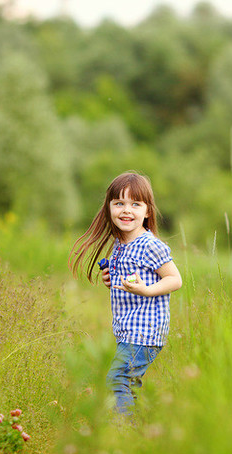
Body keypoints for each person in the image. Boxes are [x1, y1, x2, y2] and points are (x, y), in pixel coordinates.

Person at [69, 171, 182, 417]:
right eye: (119, 203)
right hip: (128, 328)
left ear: (147, 211)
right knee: (128, 382)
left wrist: (146, 290)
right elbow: (131, 278)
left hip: (145, 329)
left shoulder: (150, 245)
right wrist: (112, 279)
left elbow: (175, 279)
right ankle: (144, 431)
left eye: (135, 204)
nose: (126, 210)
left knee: (116, 378)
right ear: (109, 207)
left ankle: (123, 431)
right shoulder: (121, 243)